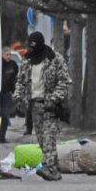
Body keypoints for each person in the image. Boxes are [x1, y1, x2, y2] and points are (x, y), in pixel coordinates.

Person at [13, 31, 71, 181]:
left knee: (48, 138)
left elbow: (64, 81)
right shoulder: (27, 60)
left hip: (51, 106)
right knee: (41, 139)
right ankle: (55, 168)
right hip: (34, 106)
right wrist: (18, 98)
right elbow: (20, 81)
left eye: (34, 47)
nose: (31, 50)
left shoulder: (55, 59)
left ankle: (50, 169)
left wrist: (54, 99)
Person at [0, 47, 19, 144]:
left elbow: (15, 78)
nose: (9, 56)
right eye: (7, 54)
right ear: (2, 55)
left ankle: (2, 137)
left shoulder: (13, 65)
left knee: (5, 116)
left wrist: (14, 90)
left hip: (7, 93)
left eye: (10, 54)